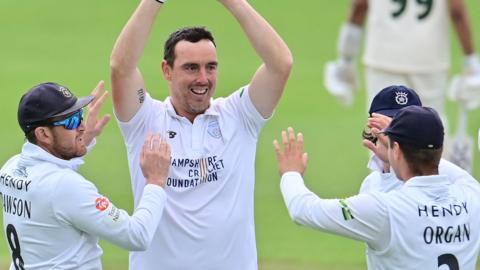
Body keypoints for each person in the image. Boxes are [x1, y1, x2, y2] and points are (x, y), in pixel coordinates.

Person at [109, 0, 292, 269]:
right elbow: (120, 68)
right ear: (167, 70)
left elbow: (281, 64)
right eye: (191, 67)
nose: (203, 79)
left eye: (211, 67)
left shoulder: (240, 115)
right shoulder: (144, 119)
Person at [275, 107, 480, 269]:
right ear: (440, 149)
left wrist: (290, 173)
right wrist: (403, 140)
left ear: (397, 150)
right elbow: (436, 161)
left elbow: (303, 210)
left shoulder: (385, 209)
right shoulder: (472, 197)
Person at [1, 81, 171, 269]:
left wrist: (83, 141)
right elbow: (137, 236)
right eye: (70, 121)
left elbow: (52, 185)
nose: (81, 126)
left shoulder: (11, 169)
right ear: (43, 134)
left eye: (79, 115)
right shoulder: (65, 187)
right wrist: (155, 181)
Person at [324, 0, 480, 171]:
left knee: (382, 131)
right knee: (431, 133)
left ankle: (384, 190)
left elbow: (359, 6)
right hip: (430, 61)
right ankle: (434, 190)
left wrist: (346, 59)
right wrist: (471, 62)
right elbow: (457, 11)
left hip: (383, 58)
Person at [361, 85, 477, 194]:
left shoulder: (445, 176)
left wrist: (403, 155)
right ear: (373, 128)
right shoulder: (370, 183)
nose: (397, 133)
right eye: (389, 124)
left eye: (406, 126)